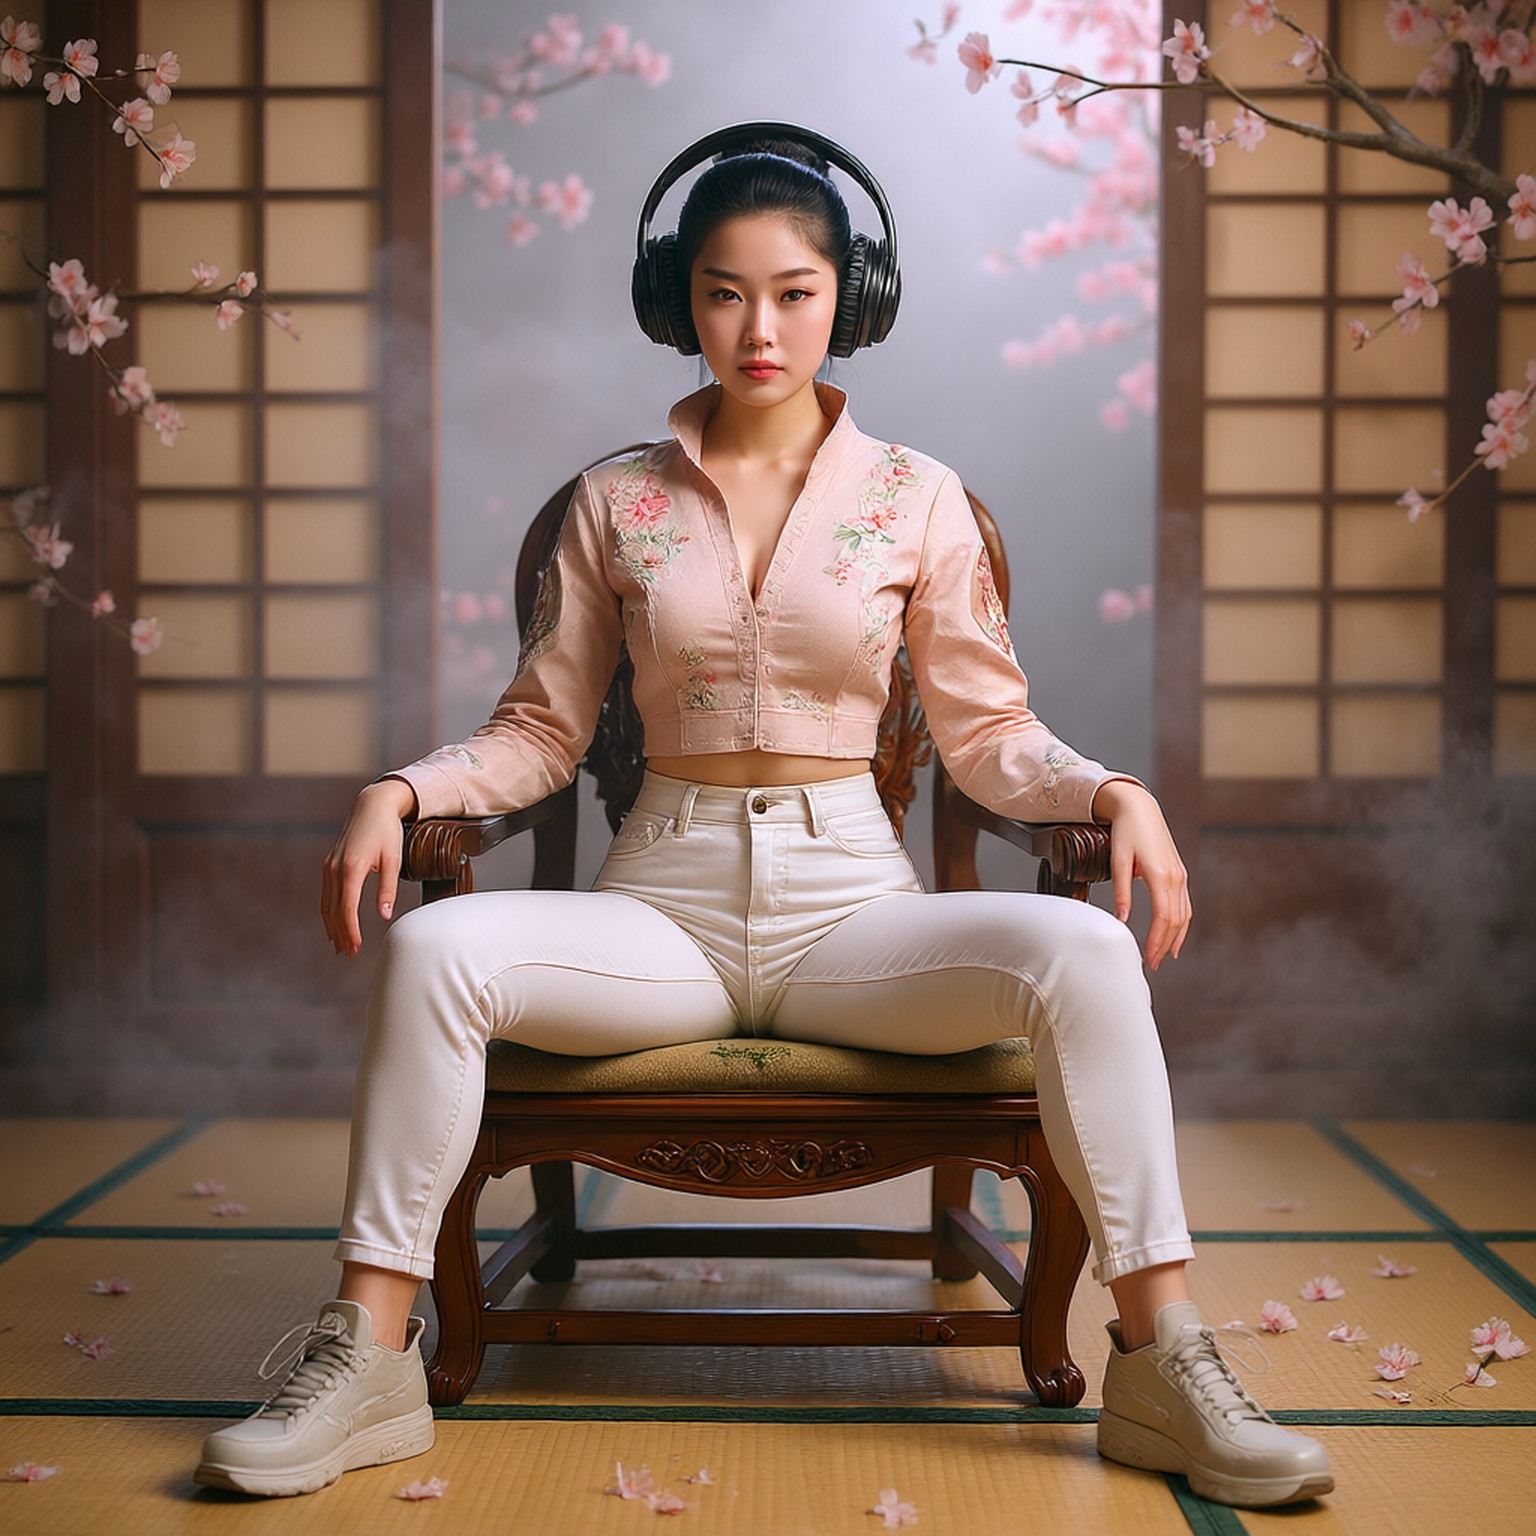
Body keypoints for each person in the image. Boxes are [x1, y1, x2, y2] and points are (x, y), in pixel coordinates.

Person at [194, 125, 1332, 1509]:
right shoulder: (616, 504)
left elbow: (988, 737)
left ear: (850, 294)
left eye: (795, 290)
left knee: (1083, 956)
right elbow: (544, 730)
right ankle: (366, 1357)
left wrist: (1117, 793)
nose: (760, 325)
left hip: (854, 912)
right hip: (657, 913)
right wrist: (404, 788)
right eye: (726, 291)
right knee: (438, 955)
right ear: (680, 299)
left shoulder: (919, 502)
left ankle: (1165, 1364)